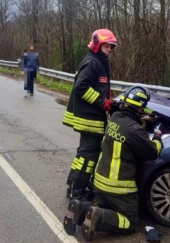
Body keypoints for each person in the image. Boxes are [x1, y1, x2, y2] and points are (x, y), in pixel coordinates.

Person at [63, 86, 164, 242]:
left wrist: (142, 122)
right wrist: (157, 136)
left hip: (99, 183)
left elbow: (129, 128)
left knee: (101, 205)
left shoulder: (115, 118)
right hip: (119, 189)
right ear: (140, 109)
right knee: (130, 221)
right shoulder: (135, 130)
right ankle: (99, 217)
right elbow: (152, 152)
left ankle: (81, 208)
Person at [62, 29, 119, 199]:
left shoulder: (99, 61)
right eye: (107, 46)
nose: (110, 49)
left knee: (84, 154)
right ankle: (76, 192)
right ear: (97, 43)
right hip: (89, 118)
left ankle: (73, 186)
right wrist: (103, 103)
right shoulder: (92, 62)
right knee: (88, 156)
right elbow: (81, 88)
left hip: (92, 117)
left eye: (112, 47)